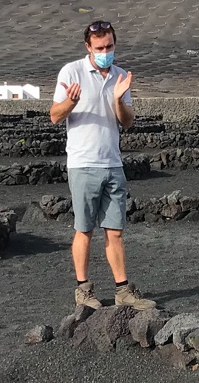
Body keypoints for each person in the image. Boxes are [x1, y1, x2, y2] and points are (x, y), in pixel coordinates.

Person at [48, 20, 156, 312]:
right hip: (83, 163)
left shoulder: (120, 76)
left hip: (113, 162)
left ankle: (123, 290)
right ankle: (83, 290)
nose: (105, 52)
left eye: (109, 46)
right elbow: (55, 116)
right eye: (100, 48)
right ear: (88, 47)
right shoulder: (72, 72)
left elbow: (127, 121)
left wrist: (118, 99)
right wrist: (71, 102)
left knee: (115, 230)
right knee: (84, 229)